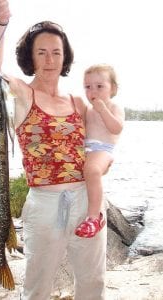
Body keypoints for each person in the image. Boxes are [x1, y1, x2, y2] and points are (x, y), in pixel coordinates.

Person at [0, 1, 107, 299]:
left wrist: (102, 163)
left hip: (85, 200)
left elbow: (102, 144)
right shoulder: (24, 94)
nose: (50, 59)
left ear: (65, 57)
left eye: (56, 52)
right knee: (38, 287)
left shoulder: (78, 101)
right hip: (44, 205)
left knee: (93, 282)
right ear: (30, 56)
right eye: (41, 52)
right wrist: (1, 24)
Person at [75, 64, 125, 238]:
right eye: (88, 87)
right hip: (87, 149)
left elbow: (116, 128)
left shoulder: (113, 107)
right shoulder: (87, 109)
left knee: (92, 170)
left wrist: (103, 110)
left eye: (99, 86)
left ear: (113, 88)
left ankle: (95, 217)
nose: (93, 91)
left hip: (103, 148)